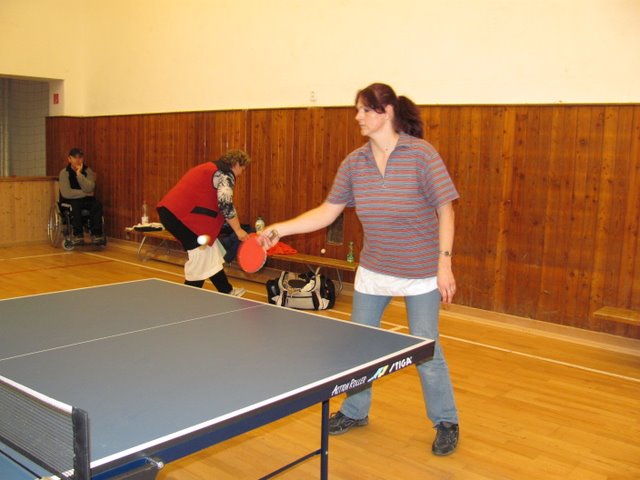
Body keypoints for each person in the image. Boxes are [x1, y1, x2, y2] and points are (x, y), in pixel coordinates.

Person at [261, 83, 460, 455]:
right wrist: (279, 229)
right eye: (358, 110)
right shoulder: (354, 162)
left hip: (420, 272)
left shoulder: (421, 155)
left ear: (387, 112)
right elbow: (327, 212)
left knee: (426, 350)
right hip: (374, 270)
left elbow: (445, 210)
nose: (358, 117)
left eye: (365, 110)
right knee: (359, 347)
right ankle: (355, 410)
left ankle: (446, 421)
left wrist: (444, 263)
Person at [157, 149, 251, 296]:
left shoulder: (210, 167)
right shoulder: (225, 174)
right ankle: (189, 298)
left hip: (173, 214)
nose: (241, 174)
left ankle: (227, 290)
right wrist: (238, 230)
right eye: (242, 169)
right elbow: (225, 204)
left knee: (210, 253)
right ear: (237, 164)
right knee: (200, 259)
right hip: (181, 218)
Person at [58, 148, 104, 245]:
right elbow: (66, 193)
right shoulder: (64, 173)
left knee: (97, 204)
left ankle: (96, 234)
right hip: (69, 201)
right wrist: (85, 193)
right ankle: (78, 234)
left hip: (86, 200)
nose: (78, 160)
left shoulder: (88, 171)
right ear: (69, 159)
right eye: (75, 158)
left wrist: (79, 175)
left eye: (80, 158)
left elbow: (90, 187)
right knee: (75, 205)